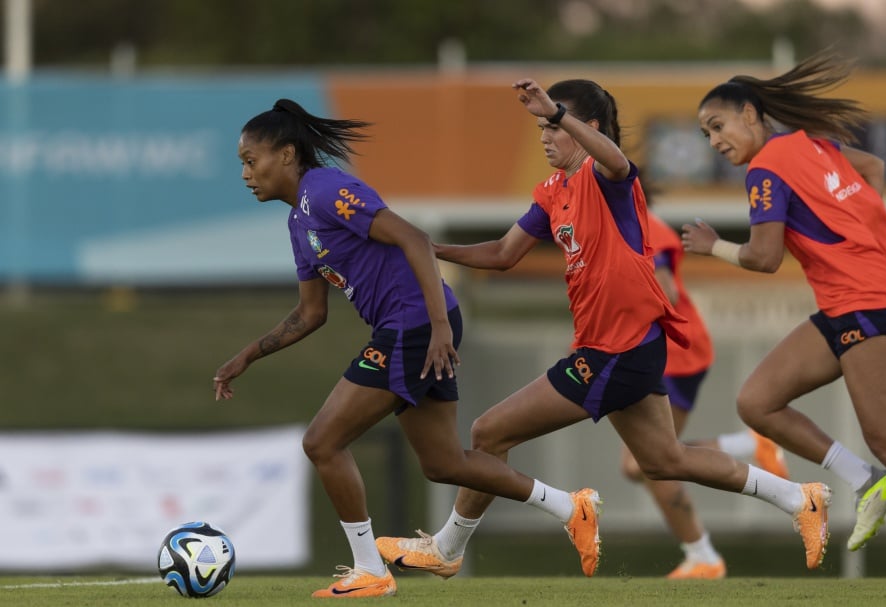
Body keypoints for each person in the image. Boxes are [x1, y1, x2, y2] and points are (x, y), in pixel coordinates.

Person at [376, 78, 832, 578]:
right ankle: (798, 498)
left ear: (586, 127)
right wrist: (427, 248)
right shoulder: (552, 192)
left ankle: (449, 548)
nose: (545, 137)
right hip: (618, 349)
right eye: (540, 128)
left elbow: (617, 160)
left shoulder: (607, 177)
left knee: (488, 432)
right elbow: (503, 254)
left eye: (553, 126)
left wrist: (556, 113)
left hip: (617, 349)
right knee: (664, 461)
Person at [212, 98, 601, 598]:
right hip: (416, 325)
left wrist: (438, 325)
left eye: (251, 160)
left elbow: (414, 238)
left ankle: (369, 569)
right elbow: (312, 313)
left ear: (287, 154)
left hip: (413, 324)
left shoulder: (325, 189)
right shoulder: (298, 223)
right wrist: (247, 355)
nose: (246, 173)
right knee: (443, 464)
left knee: (322, 442)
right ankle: (572, 509)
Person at [681, 48, 886, 553]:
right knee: (757, 402)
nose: (715, 141)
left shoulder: (765, 170)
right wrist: (862, 237)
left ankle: (877, 471)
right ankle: (868, 479)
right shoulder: (814, 146)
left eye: (719, 126)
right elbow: (872, 167)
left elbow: (764, 258)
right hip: (849, 303)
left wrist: (711, 245)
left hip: (863, 304)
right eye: (706, 135)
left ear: (749, 114)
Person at [616, 208, 790, 579]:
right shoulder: (610, 219)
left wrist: (614, 327)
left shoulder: (639, 222)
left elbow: (666, 291)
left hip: (671, 354)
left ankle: (704, 555)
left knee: (645, 463)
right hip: (663, 353)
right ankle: (704, 551)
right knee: (644, 464)